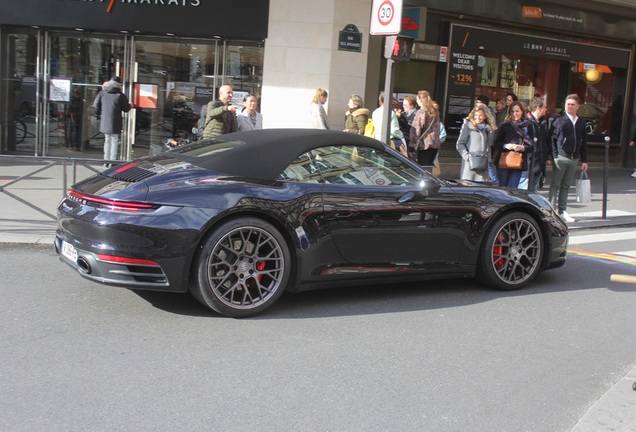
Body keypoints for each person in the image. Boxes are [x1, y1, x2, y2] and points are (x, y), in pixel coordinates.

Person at [548, 93, 589, 222]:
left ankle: (562, 210)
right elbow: (551, 139)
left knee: (566, 185)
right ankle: (551, 210)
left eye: (572, 104)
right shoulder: (559, 120)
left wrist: (585, 160)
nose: (570, 107)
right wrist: (554, 156)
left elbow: (584, 141)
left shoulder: (581, 122)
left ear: (578, 106)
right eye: (568, 104)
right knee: (555, 184)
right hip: (561, 156)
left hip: (574, 158)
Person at [92, 76, 131, 166]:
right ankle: (112, 161)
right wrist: (130, 105)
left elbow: (96, 105)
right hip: (115, 120)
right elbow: (126, 109)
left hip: (105, 120)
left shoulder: (102, 93)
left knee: (107, 140)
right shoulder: (121, 95)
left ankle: (106, 160)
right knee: (114, 140)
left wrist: (98, 115)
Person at [494, 101, 533, 188]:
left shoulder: (528, 126)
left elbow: (532, 146)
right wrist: (506, 146)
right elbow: (496, 143)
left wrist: (522, 148)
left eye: (517, 111)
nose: (515, 114)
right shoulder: (505, 126)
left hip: (518, 161)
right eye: (512, 111)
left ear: (522, 111)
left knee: (513, 188)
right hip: (505, 159)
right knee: (503, 187)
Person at [456, 103, 497, 182]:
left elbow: (490, 145)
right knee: (468, 188)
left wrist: (488, 161)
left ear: (485, 116)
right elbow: (460, 144)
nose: (477, 117)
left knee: (481, 189)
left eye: (480, 115)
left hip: (483, 165)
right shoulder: (467, 126)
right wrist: (467, 157)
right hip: (470, 165)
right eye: (476, 115)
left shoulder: (488, 129)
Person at [519, 97, 549, 191]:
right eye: (545, 107)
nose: (546, 110)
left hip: (538, 165)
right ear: (538, 108)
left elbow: (543, 143)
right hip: (528, 166)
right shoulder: (527, 123)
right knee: (523, 193)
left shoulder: (541, 124)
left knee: (533, 193)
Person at [410, 90, 441, 167]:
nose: (417, 101)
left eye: (417, 99)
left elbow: (416, 129)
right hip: (434, 143)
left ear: (420, 99)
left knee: (422, 168)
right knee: (429, 168)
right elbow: (438, 127)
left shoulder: (421, 112)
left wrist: (412, 144)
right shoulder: (434, 111)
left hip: (424, 145)